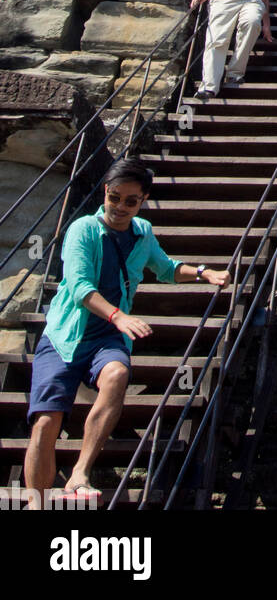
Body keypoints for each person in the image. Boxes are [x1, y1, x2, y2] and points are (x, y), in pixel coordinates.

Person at [23, 158, 229, 508]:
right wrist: (119, 316)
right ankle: (37, 503)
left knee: (117, 374)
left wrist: (204, 273)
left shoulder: (142, 232)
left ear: (143, 200)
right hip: (65, 336)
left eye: (130, 201)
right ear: (105, 191)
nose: (120, 207)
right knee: (46, 422)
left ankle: (80, 473)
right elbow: (79, 286)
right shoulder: (83, 230)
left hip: (107, 339)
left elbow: (165, 268)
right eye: (114, 197)